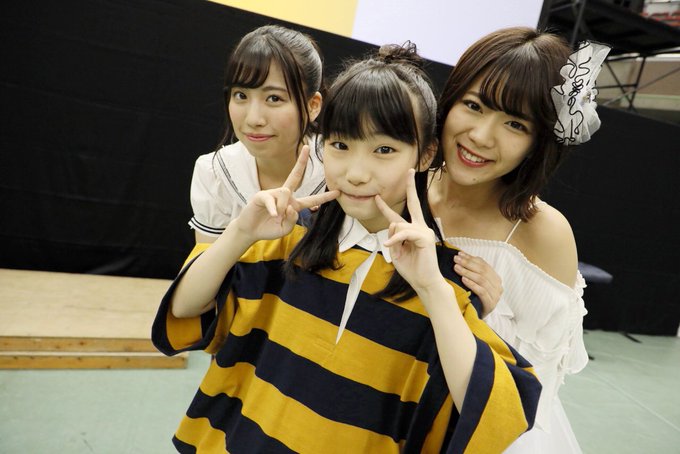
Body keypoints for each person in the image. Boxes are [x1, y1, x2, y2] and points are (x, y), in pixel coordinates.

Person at [153, 43, 542, 453]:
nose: (356, 173)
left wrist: (433, 290)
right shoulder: (287, 241)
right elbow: (185, 310)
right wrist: (240, 234)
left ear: (426, 154)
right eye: (340, 145)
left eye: (384, 150)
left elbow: (498, 415)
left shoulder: (440, 280)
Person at [428, 27, 610, 453]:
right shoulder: (402, 184)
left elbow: (533, 388)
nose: (481, 136)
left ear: (539, 140)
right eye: (473, 106)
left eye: (515, 123)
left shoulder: (543, 233)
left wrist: (484, 317)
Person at [188, 25, 326, 242]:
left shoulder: (340, 169)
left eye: (274, 98)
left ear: (313, 105)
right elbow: (205, 262)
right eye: (241, 95)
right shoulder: (215, 172)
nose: (253, 119)